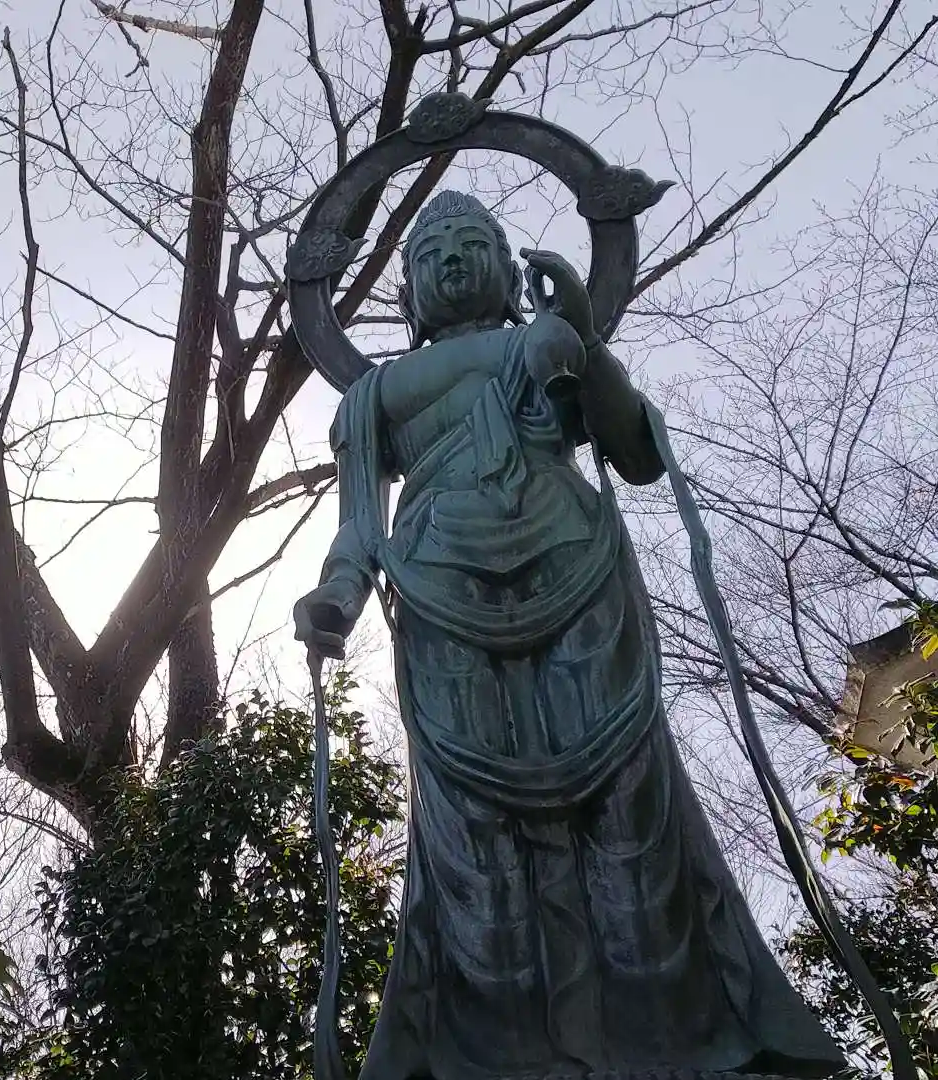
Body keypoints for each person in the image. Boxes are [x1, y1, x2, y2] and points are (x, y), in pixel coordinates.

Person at [292, 189, 846, 1080]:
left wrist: (584, 341)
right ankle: (502, 1055)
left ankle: (672, 1042)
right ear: (406, 294)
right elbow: (360, 525)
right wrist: (337, 596)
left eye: (471, 243)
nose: (451, 260)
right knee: (472, 829)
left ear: (510, 269)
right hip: (438, 585)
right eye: (431, 253)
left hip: (573, 566)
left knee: (627, 799)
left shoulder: (543, 343)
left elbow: (636, 454)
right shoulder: (374, 394)